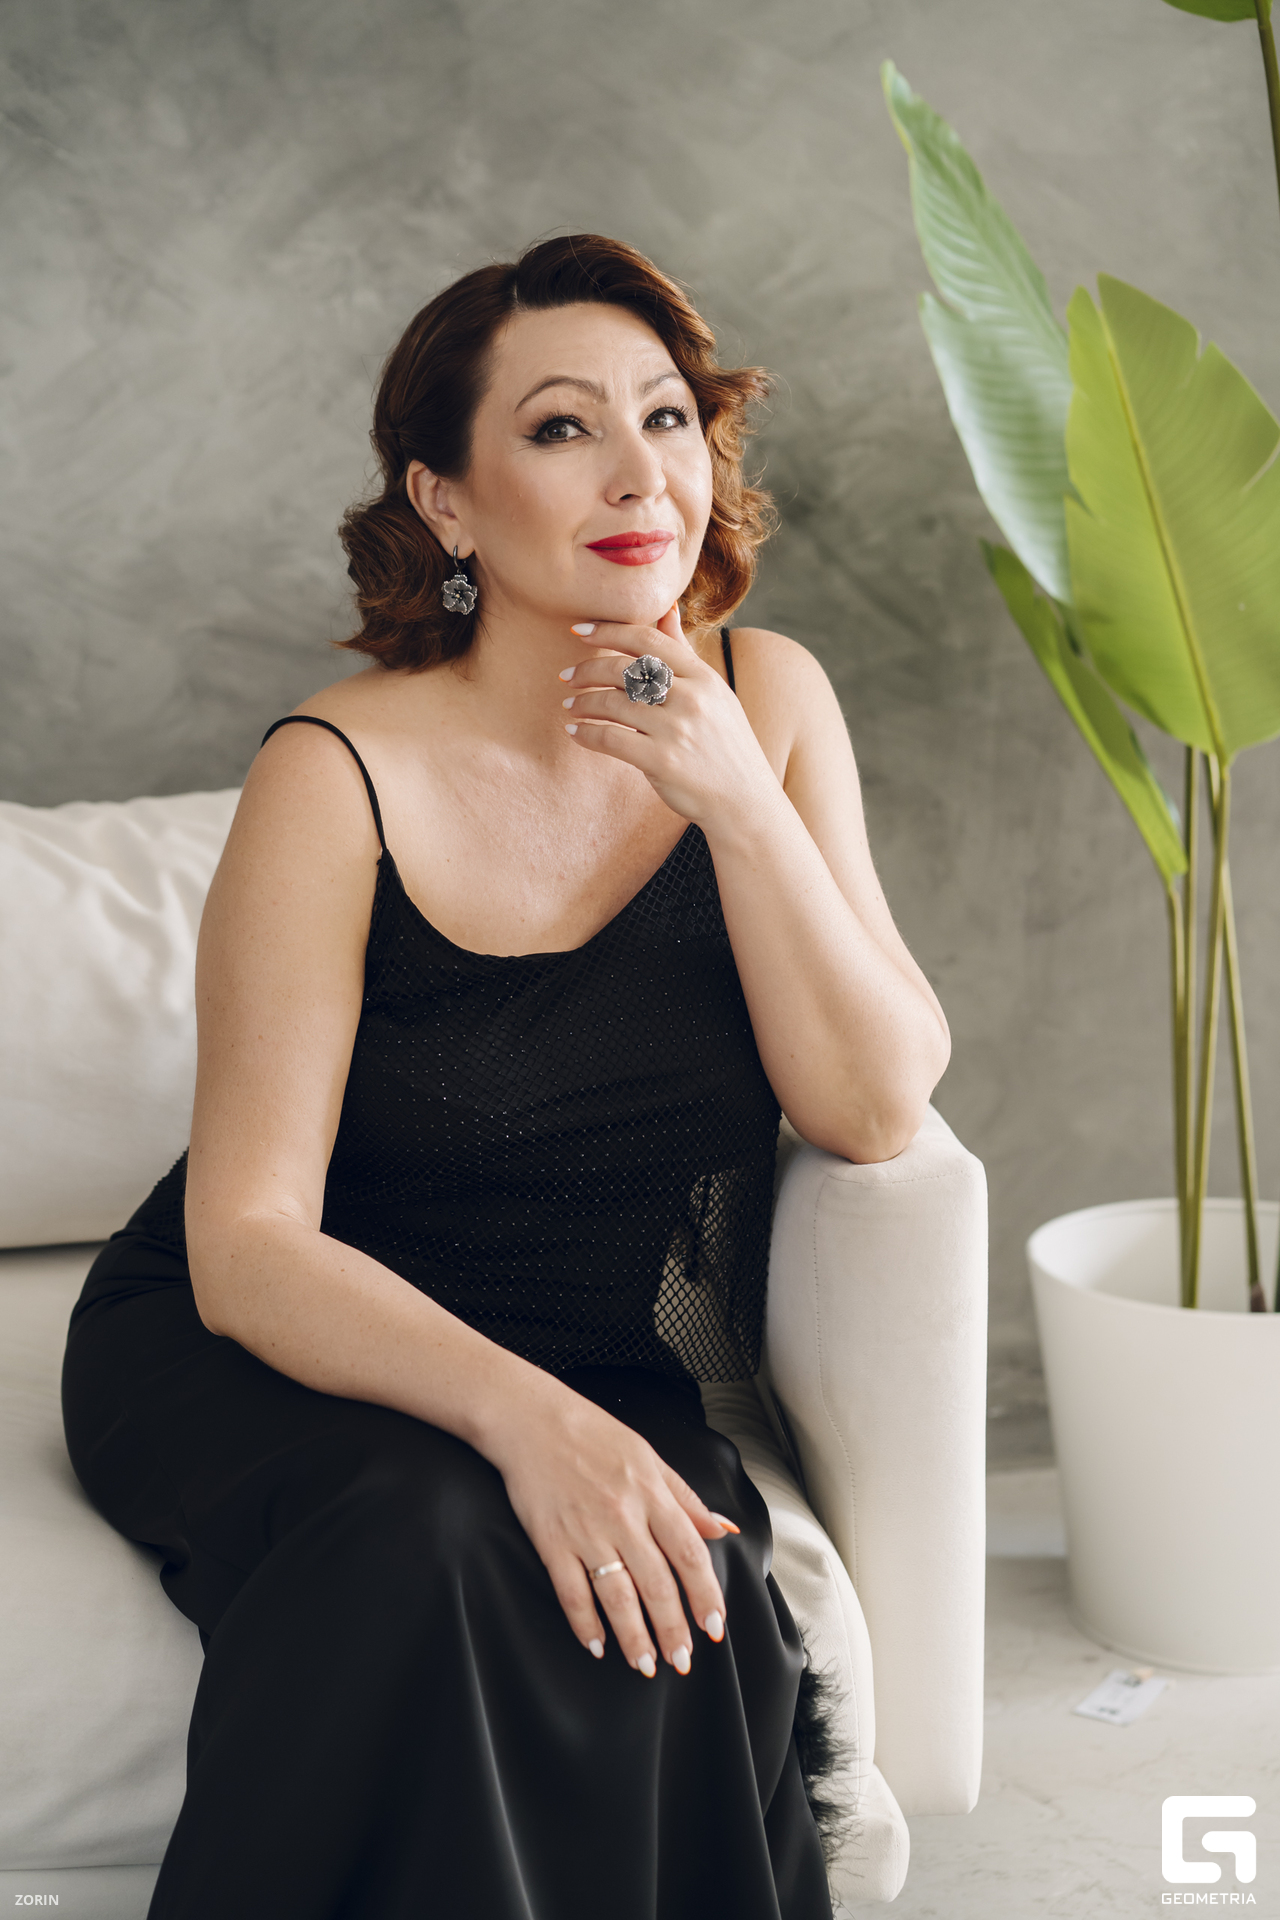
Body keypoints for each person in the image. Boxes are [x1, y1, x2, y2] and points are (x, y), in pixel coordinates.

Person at [61, 234, 949, 1920]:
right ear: (446, 503)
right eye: (559, 429)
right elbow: (249, 1244)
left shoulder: (770, 701)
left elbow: (875, 1103)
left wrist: (735, 801)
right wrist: (534, 1424)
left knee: (664, 1583)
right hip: (275, 1339)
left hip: (590, 1347)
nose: (638, 474)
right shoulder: (334, 770)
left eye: (667, 417)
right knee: (431, 1538)